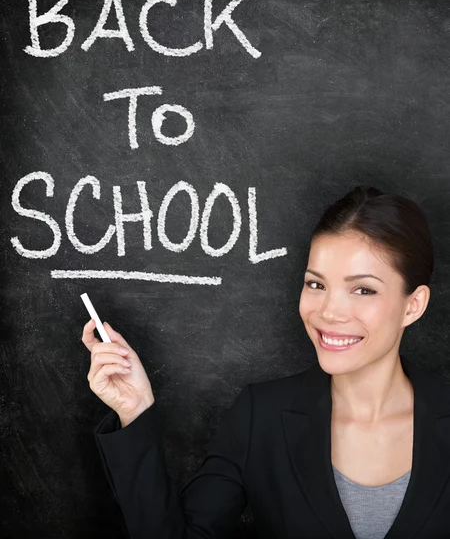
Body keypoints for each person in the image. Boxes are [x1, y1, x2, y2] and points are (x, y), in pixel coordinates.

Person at [82, 185, 450, 539]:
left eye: (363, 289)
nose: (328, 312)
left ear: (413, 305)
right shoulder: (261, 417)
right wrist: (135, 410)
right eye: (316, 284)